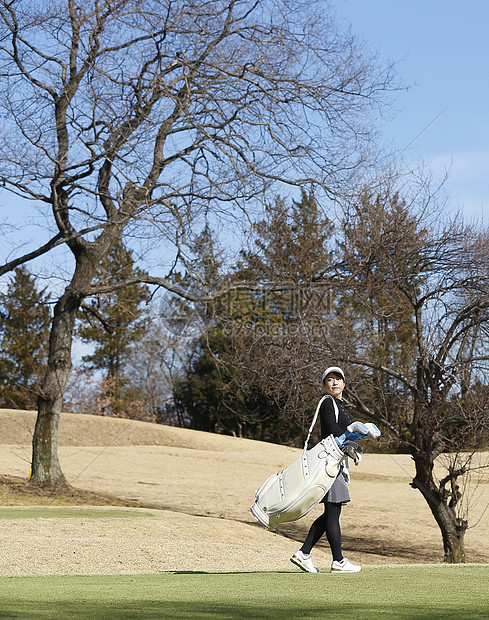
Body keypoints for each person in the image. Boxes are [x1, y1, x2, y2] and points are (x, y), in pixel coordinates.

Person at [290, 366, 362, 574]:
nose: (334, 382)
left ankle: (304, 553)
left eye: (338, 378)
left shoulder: (340, 406)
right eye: (329, 379)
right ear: (324, 385)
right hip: (330, 462)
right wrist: (357, 432)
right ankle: (338, 561)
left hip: (336, 462)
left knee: (332, 511)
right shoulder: (329, 402)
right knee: (333, 510)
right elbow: (334, 431)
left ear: (344, 384)